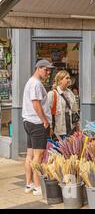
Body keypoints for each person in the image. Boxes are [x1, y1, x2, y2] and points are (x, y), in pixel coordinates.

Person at [23, 60, 54, 196]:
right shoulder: (36, 84)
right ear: (38, 68)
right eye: (46, 70)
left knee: (30, 155)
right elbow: (36, 104)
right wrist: (45, 121)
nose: (48, 73)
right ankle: (37, 186)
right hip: (37, 124)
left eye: (49, 70)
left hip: (29, 122)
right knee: (38, 156)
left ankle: (28, 184)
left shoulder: (31, 82)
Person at [48, 70, 80, 140]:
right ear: (60, 80)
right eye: (67, 78)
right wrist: (49, 127)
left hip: (70, 127)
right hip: (58, 128)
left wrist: (77, 125)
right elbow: (47, 112)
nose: (69, 80)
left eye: (69, 78)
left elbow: (74, 110)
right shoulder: (52, 94)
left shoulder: (70, 93)